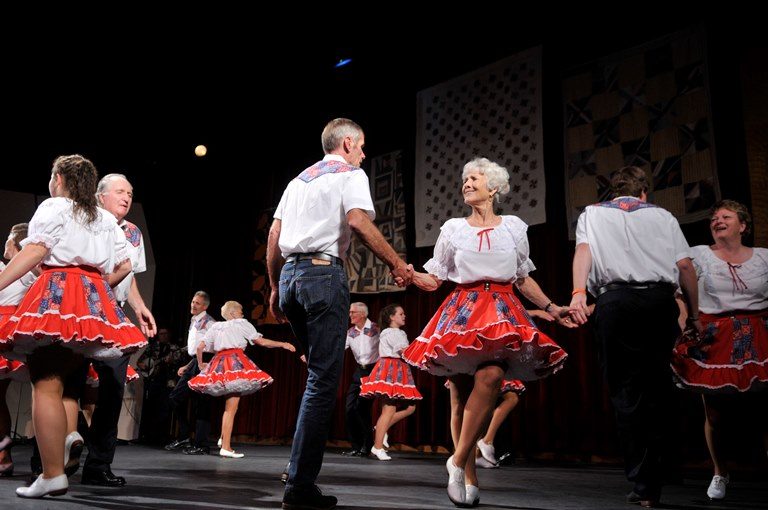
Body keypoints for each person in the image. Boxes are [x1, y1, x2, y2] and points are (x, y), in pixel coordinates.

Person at [402, 157, 573, 507]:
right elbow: (436, 277)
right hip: (463, 310)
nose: (466, 183)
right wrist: (410, 276)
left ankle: (457, 460)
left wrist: (553, 307)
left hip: (501, 308)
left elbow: (523, 278)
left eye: (474, 178)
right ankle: (468, 474)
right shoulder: (453, 229)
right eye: (464, 179)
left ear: (493, 187)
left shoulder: (513, 227)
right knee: (462, 397)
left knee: (493, 376)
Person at [267, 118, 413, 510]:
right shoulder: (351, 172)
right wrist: (398, 264)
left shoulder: (297, 180)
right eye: (362, 146)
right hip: (321, 274)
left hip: (291, 277)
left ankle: (297, 474)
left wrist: (273, 285)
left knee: (318, 375)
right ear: (348, 143)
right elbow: (357, 220)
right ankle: (298, 486)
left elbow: (274, 236)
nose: (364, 154)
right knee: (322, 381)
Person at [0, 154, 146, 498]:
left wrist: (1, 281)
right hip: (92, 294)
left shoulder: (56, 207)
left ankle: (52, 473)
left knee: (45, 382)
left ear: (60, 178)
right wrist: (95, 287)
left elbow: (36, 248)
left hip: (59, 290)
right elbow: (126, 263)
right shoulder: (104, 219)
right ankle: (68, 437)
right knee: (66, 382)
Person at [569, 165, 701, 508]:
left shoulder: (593, 213)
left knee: (626, 391)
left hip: (615, 303)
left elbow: (584, 252)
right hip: (658, 303)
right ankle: (663, 470)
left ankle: (644, 484)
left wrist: (578, 292)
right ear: (645, 192)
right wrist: (695, 315)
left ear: (613, 192)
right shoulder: (663, 215)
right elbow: (685, 267)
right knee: (659, 387)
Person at [670, 199, 767, 501]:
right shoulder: (699, 255)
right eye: (714, 217)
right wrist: (686, 323)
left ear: (743, 226)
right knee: (715, 414)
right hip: (714, 332)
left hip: (758, 331)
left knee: (765, 410)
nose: (717, 220)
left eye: (726, 216)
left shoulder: (764, 257)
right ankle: (719, 471)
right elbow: (680, 294)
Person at [81, 172, 157, 487]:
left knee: (112, 393)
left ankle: (98, 466)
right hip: (80, 313)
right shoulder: (85, 222)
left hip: (113, 316)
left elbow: (130, 276)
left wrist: (139, 307)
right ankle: (47, 462)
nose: (127, 197)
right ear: (100, 196)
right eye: (120, 191)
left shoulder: (133, 232)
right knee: (66, 387)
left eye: (130, 192)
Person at [188, 300, 296, 458]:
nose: (242, 313)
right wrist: (283, 344)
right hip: (234, 363)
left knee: (229, 406)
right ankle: (226, 447)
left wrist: (201, 365)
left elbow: (200, 347)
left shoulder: (215, 326)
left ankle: (223, 439)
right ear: (232, 313)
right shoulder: (241, 323)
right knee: (231, 408)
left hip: (218, 363)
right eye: (240, 311)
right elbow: (261, 342)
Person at [360, 303, 422, 460]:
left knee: (410, 408)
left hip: (399, 368)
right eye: (401, 314)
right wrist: (423, 356)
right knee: (388, 410)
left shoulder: (399, 332)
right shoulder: (390, 332)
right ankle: (378, 446)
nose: (404, 316)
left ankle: (381, 427)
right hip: (390, 368)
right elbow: (403, 350)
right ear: (391, 317)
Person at [0, 223, 36, 477]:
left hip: (9, 330)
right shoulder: (26, 271)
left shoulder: (25, 271)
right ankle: (4, 455)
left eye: (9, 240)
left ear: (16, 244)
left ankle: (4, 453)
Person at [166, 291, 216, 454]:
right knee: (176, 398)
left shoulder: (209, 323)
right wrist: (188, 365)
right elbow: (195, 348)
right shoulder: (195, 321)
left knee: (202, 402)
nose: (193, 305)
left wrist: (204, 364)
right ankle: (185, 436)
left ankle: (201, 444)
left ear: (205, 306)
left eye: (198, 303)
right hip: (195, 361)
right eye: (193, 302)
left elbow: (213, 346)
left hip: (206, 361)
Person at [342, 302, 379, 457]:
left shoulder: (377, 328)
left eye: (353, 312)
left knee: (363, 409)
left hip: (374, 371)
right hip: (359, 371)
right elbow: (339, 349)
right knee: (350, 408)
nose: (350, 315)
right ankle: (356, 446)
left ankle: (368, 445)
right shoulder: (351, 333)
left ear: (363, 314)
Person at [137, 327, 184, 444]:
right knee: (151, 407)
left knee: (165, 409)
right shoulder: (152, 347)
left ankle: (162, 437)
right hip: (153, 381)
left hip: (167, 381)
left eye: (165, 333)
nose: (163, 335)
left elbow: (180, 361)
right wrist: (142, 365)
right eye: (161, 333)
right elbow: (140, 361)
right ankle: (148, 436)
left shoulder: (174, 348)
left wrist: (171, 360)